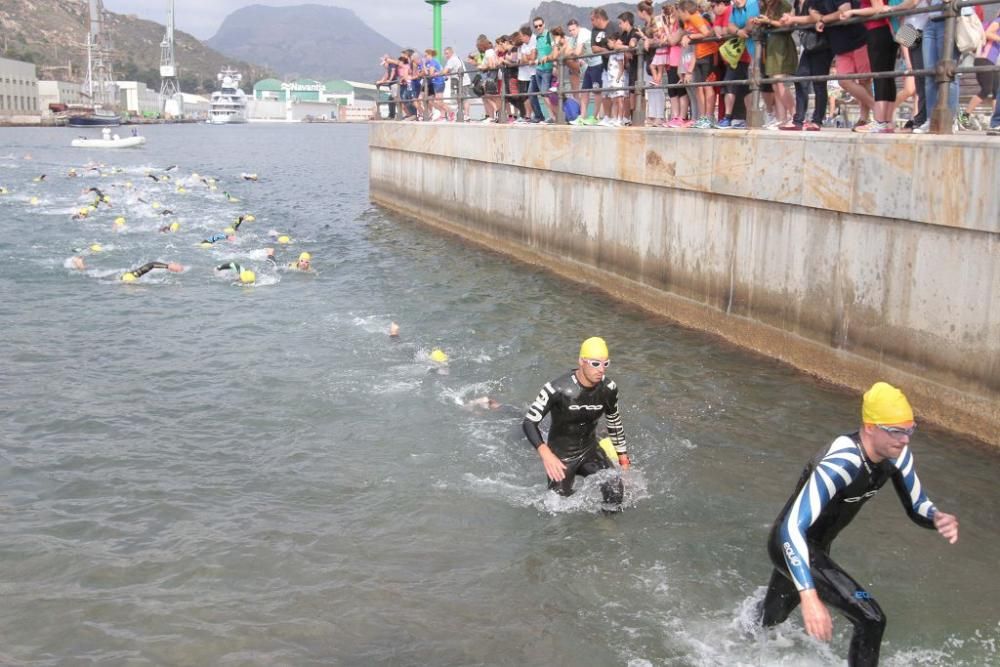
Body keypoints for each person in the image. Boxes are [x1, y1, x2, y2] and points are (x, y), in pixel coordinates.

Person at [757, 382, 959, 666]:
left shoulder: (896, 454)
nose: (905, 440)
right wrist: (810, 597)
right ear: (870, 427)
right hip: (790, 545)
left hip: (817, 552)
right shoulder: (843, 461)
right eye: (896, 431)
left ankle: (718, 651)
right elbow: (791, 529)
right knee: (871, 617)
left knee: (768, 622)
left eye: (910, 430)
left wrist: (936, 518)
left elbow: (917, 506)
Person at [522, 336, 630, 506]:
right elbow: (529, 422)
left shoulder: (608, 389)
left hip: (590, 450)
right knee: (555, 505)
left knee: (615, 492)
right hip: (561, 456)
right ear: (581, 361)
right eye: (595, 363)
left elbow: (614, 421)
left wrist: (623, 458)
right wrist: (546, 454)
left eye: (605, 364)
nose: (601, 369)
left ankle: (606, 529)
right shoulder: (557, 389)